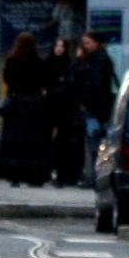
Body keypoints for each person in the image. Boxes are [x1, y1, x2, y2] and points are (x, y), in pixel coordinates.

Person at [0, 31, 50, 185]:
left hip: (17, 104)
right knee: (33, 142)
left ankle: (14, 176)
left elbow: (7, 79)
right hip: (35, 105)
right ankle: (33, 176)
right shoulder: (39, 62)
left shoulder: (12, 61)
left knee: (15, 142)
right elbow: (45, 80)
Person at [71, 31, 119, 187]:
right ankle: (96, 178)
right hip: (97, 109)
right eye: (83, 43)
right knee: (96, 145)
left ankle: (97, 179)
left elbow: (94, 85)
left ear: (96, 43)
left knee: (96, 146)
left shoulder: (98, 60)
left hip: (96, 110)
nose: (85, 46)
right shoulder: (96, 59)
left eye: (87, 42)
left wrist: (86, 102)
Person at [45, 37, 81, 186]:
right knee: (48, 139)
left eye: (62, 46)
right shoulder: (48, 64)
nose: (59, 49)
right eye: (56, 45)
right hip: (50, 107)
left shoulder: (69, 65)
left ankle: (61, 174)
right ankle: (47, 171)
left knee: (62, 141)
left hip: (64, 109)